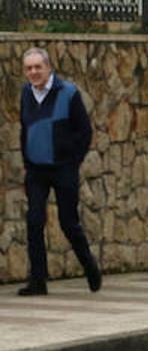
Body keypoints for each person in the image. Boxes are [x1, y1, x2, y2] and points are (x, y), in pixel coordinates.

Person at [18, 46, 99, 296]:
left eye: (37, 67)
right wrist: (27, 160)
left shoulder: (68, 93)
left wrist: (71, 161)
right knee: (34, 222)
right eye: (29, 68)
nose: (33, 72)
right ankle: (37, 281)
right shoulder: (26, 93)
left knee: (68, 222)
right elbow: (25, 128)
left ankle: (90, 268)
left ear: (48, 67)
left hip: (63, 169)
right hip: (36, 170)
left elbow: (84, 132)